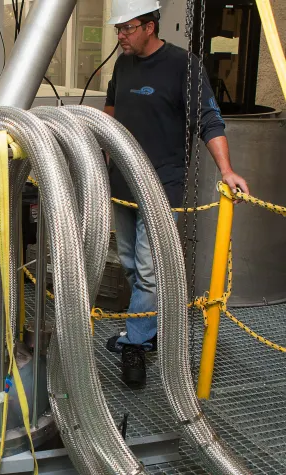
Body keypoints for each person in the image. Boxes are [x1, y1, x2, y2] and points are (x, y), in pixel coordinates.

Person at [103, 0, 249, 388]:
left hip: (162, 188)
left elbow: (209, 120)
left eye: (128, 28)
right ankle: (146, 332)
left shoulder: (184, 66)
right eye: (118, 29)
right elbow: (111, 111)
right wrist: (100, 162)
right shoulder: (122, 65)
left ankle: (135, 344)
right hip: (121, 184)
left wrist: (227, 170)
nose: (120, 36)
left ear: (150, 26)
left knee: (149, 272)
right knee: (131, 265)